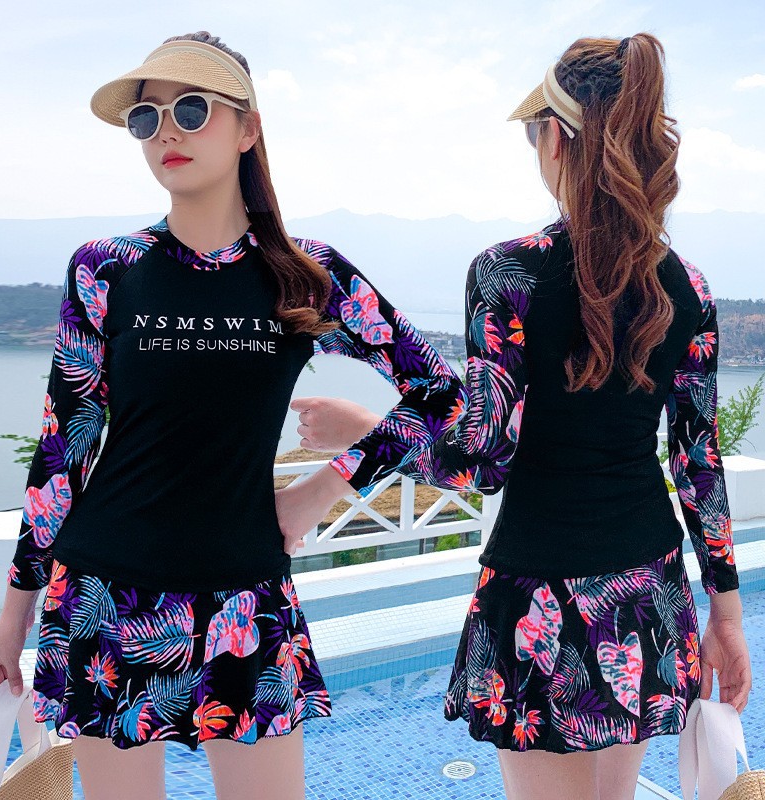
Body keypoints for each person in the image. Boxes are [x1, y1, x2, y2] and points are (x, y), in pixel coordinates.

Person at [0, 32, 465, 800]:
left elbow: (441, 393)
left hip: (247, 596)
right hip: (105, 595)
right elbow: (63, 448)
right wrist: (13, 618)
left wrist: (323, 488)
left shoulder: (306, 276)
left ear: (247, 128)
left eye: (193, 109)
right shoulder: (107, 268)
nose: (166, 131)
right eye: (147, 117)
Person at [290, 33, 753, 800]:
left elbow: (482, 459)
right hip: (647, 591)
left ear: (558, 139)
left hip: (541, 593)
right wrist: (727, 616)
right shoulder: (686, 288)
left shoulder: (507, 272)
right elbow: (697, 463)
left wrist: (364, 429)